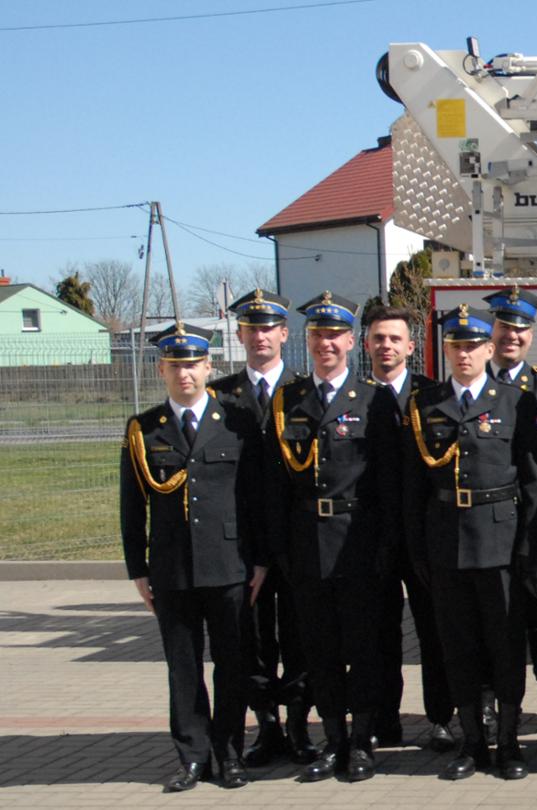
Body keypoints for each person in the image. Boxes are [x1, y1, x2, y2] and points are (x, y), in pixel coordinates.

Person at [122, 323, 269, 792]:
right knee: (182, 666)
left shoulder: (238, 421)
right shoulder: (145, 429)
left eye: (193, 364)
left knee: (232, 662)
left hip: (230, 565)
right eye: (175, 366)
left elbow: (255, 499)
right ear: (161, 370)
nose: (185, 373)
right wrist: (138, 570)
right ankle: (191, 755)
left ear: (210, 367)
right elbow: (131, 505)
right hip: (172, 568)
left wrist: (261, 560)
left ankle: (228, 752)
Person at [402, 306, 537, 781]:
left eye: (472, 345)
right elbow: (414, 488)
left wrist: (527, 543)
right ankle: (472, 742)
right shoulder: (426, 404)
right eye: (455, 346)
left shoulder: (514, 401)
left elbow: (531, 481)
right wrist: (420, 550)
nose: (463, 354)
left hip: (500, 541)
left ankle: (508, 742)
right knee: (457, 646)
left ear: (490, 348)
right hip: (447, 543)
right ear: (445, 350)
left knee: (505, 646)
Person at [266, 293, 397, 783]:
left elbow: (387, 481)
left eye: (334, 335)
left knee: (361, 649)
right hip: (306, 546)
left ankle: (362, 741)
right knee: (318, 652)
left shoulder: (373, 399)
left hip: (357, 543)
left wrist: (386, 545)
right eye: (317, 335)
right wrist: (281, 548)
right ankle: (333, 740)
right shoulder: (289, 402)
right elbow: (274, 483)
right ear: (309, 341)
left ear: (350, 342)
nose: (326, 343)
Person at [209, 289, 318, 768]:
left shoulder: (305, 392)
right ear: (240, 335)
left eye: (268, 327)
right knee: (251, 640)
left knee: (300, 635)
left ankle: (298, 724)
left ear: (284, 334)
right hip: (242, 539)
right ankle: (265, 725)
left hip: (296, 538)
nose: (259, 337)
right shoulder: (220, 396)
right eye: (251, 329)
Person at [363, 305, 457, 753]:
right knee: (379, 635)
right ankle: (385, 719)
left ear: (411, 347)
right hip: (370, 539)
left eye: (395, 339)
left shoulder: (431, 396)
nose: (387, 346)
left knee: (436, 631)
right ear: (367, 344)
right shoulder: (353, 397)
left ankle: (441, 717)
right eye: (379, 338)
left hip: (424, 536)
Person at [483, 286, 537, 754]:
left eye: (519, 329)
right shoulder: (474, 383)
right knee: (494, 621)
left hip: (535, 527)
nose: (511, 336)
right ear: (491, 331)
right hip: (486, 529)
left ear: (531, 336)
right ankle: (491, 712)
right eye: (504, 327)